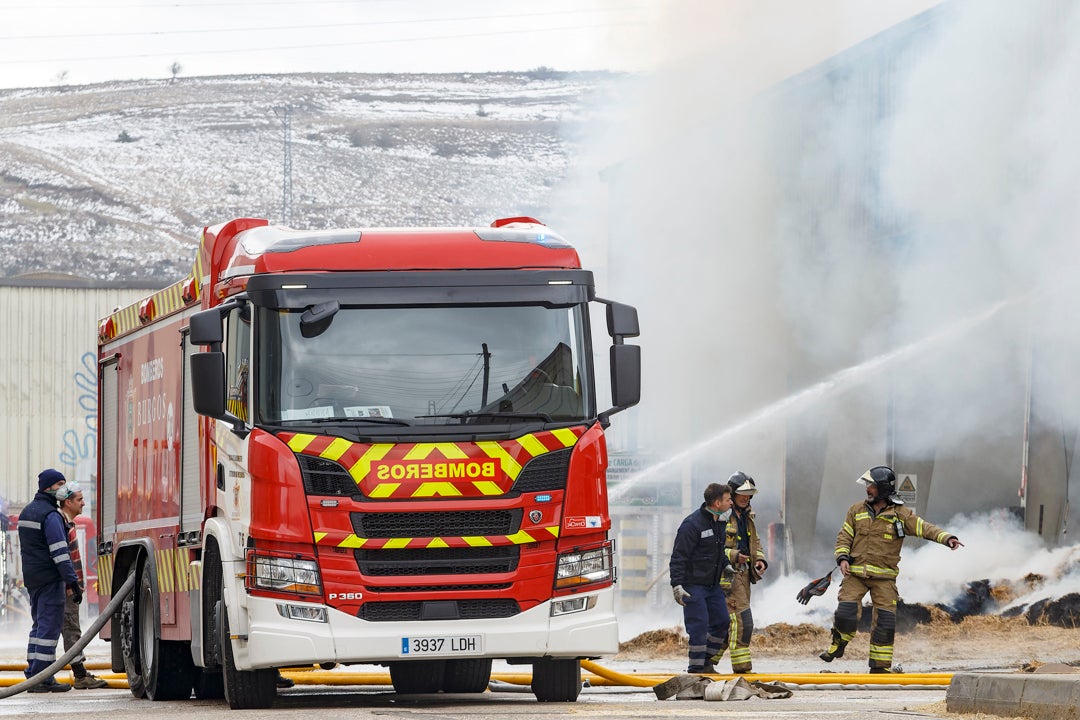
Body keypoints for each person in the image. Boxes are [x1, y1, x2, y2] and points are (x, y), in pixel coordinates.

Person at [820, 465, 964, 672]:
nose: (867, 489)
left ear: (883, 489)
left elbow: (924, 528)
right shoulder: (856, 510)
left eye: (871, 485)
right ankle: (838, 645)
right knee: (846, 613)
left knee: (885, 623)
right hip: (856, 574)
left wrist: (947, 538)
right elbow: (844, 536)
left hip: (885, 579)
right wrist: (842, 558)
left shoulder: (900, 514)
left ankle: (879, 667)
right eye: (867, 485)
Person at [669, 482, 748, 674]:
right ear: (717, 502)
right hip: (693, 586)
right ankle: (696, 671)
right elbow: (678, 557)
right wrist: (677, 585)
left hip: (712, 586)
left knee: (722, 621)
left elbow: (718, 551)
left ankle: (706, 662)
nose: (731, 503)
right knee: (699, 626)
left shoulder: (719, 522)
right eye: (728, 500)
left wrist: (725, 565)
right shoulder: (692, 525)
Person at [17, 469, 80, 692]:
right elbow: (60, 554)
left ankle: (33, 673)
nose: (63, 488)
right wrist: (72, 581)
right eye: (60, 484)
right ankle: (43, 678)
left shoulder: (27, 512)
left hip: (33, 578)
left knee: (38, 626)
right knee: (49, 628)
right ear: (48, 487)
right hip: (50, 578)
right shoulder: (50, 515)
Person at [55, 482, 109, 689]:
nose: (84, 503)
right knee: (71, 629)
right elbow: (63, 558)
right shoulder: (61, 523)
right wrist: (73, 584)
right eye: (79, 499)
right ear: (67, 502)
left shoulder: (67, 524)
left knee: (71, 629)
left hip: (70, 586)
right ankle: (79, 675)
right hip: (67, 588)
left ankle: (76, 673)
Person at [716, 471, 768, 673]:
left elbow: (754, 541)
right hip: (728, 575)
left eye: (749, 494)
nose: (746, 497)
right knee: (742, 620)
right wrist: (734, 555)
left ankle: (706, 663)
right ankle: (742, 669)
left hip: (744, 575)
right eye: (742, 494)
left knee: (724, 626)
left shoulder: (747, 516)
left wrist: (760, 558)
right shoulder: (723, 517)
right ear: (732, 494)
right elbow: (714, 547)